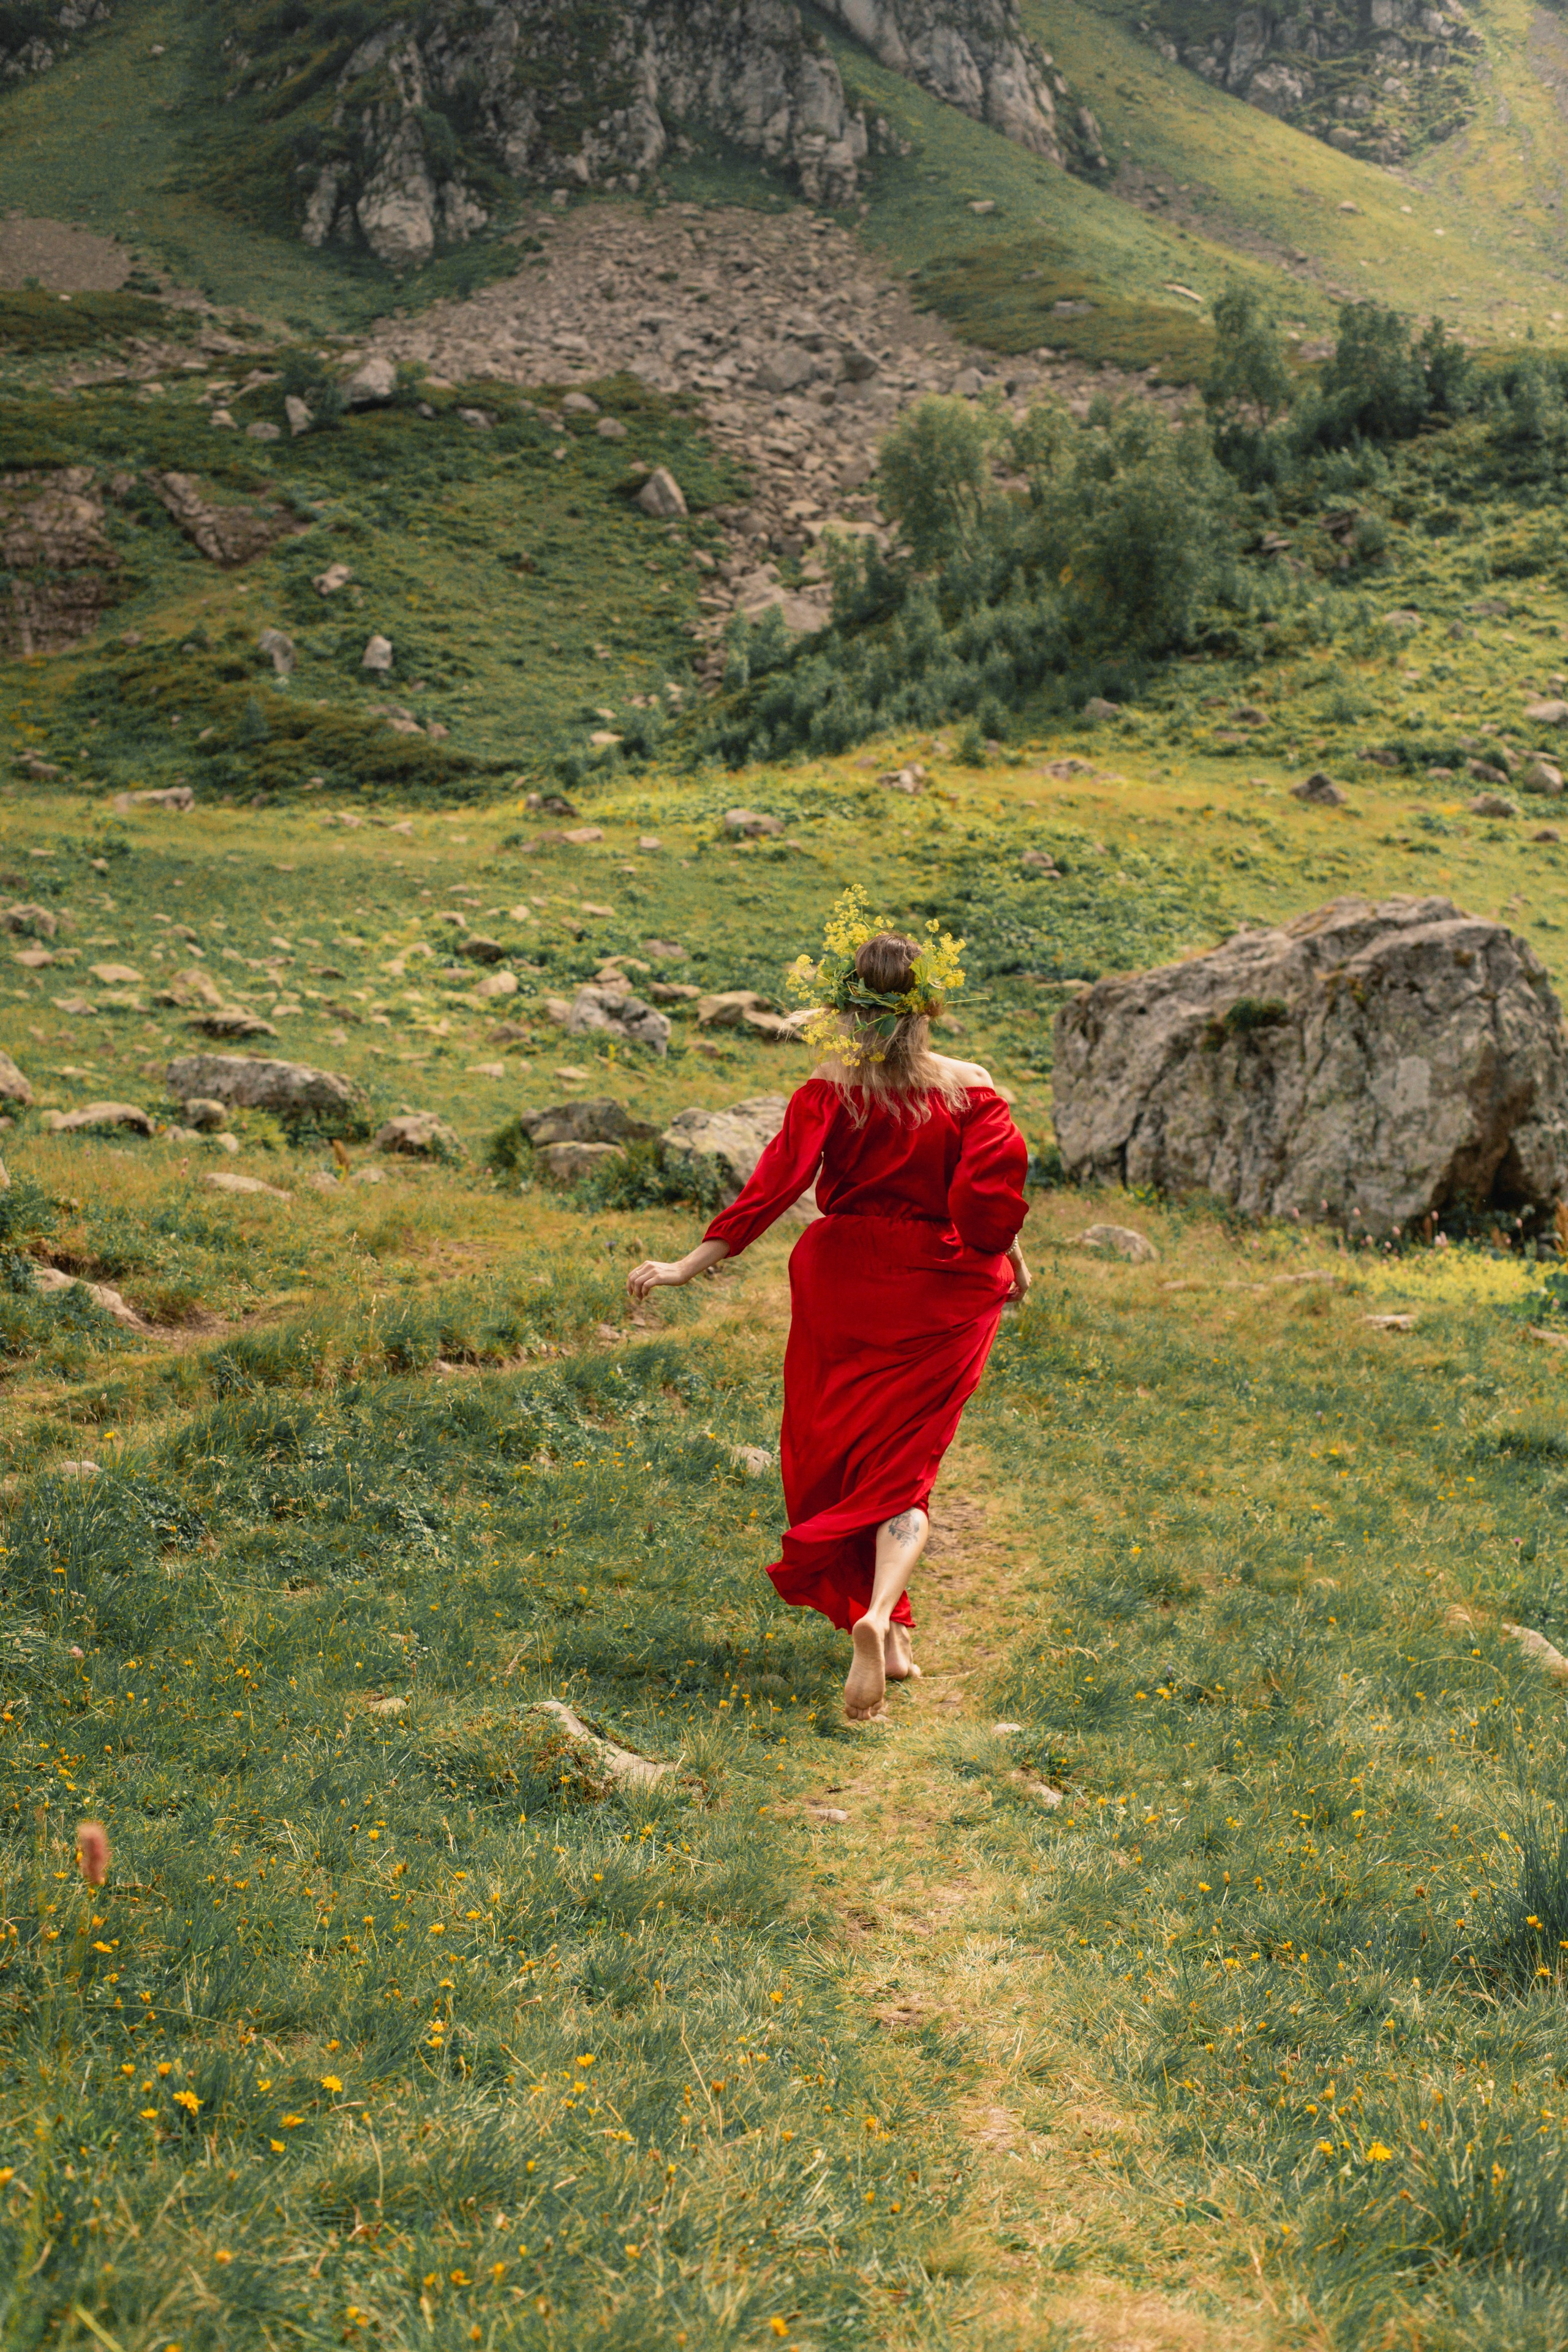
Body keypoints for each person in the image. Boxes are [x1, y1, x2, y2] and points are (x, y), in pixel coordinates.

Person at [628, 891, 1030, 1722]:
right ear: (926, 1007)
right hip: (937, 1286)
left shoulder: (830, 1086)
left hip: (840, 1280)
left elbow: (771, 1191)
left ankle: (885, 1631)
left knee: (837, 1456)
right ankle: (880, 1613)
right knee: (904, 1469)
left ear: (853, 1005)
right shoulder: (969, 1088)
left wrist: (684, 1266)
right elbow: (986, 1201)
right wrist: (1013, 1262)